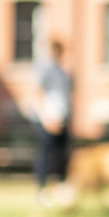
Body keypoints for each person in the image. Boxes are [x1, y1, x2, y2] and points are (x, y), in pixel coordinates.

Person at [35, 40, 73, 201]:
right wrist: (45, 118)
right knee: (46, 155)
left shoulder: (63, 72)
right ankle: (42, 189)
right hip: (48, 119)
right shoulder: (44, 69)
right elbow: (37, 93)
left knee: (62, 156)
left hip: (62, 118)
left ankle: (61, 189)